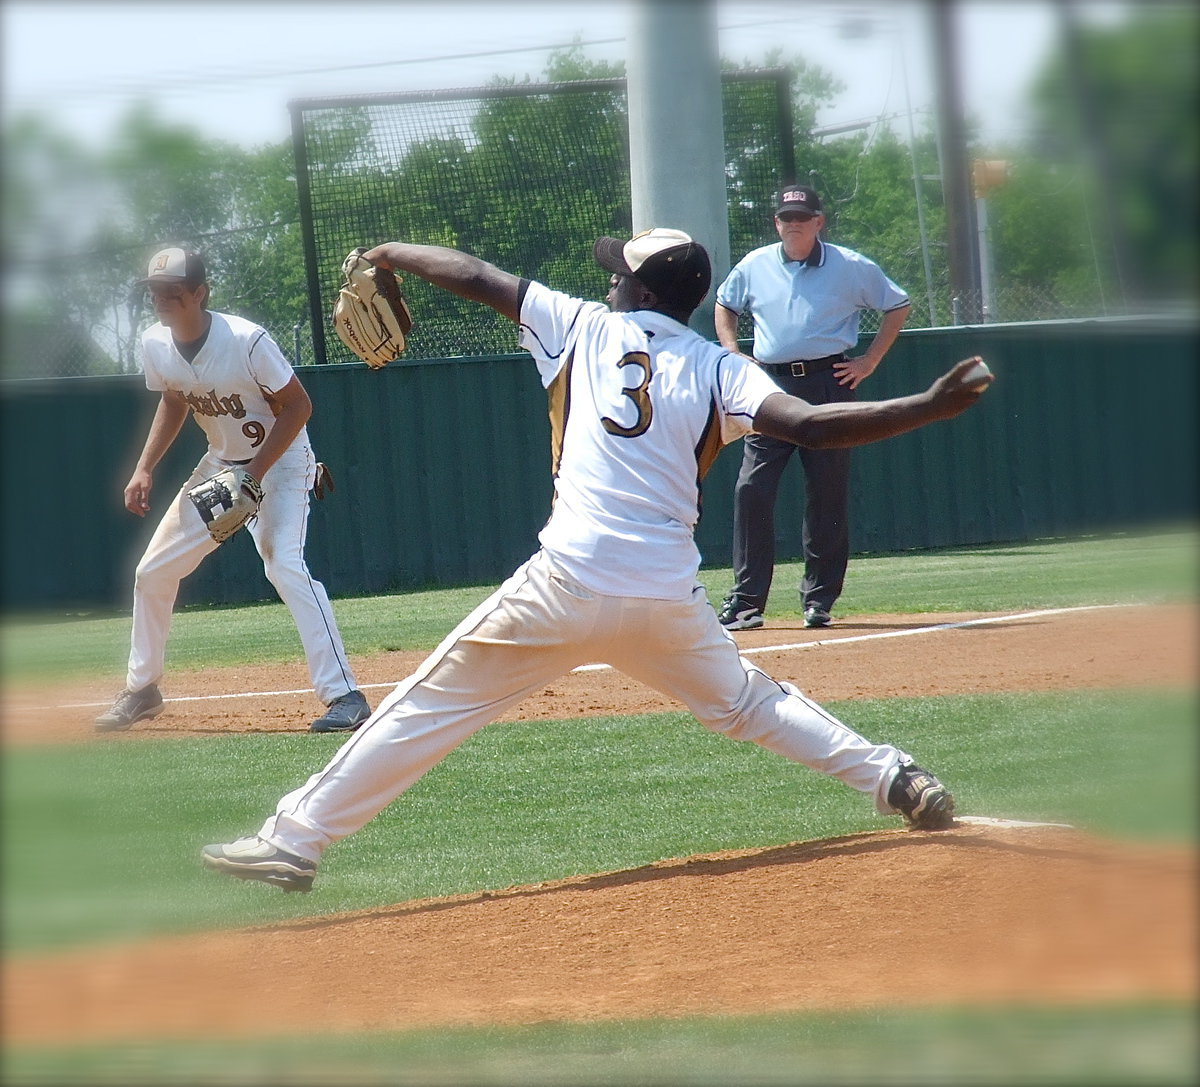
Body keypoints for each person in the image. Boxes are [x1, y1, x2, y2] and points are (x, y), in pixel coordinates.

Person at [201, 228, 991, 892]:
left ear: (643, 294)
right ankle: (895, 777)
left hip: (566, 581)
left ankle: (295, 839)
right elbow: (812, 427)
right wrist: (928, 406)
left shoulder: (581, 325)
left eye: (619, 274)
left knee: (425, 706)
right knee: (751, 704)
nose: (609, 282)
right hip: (666, 600)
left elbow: (476, 277)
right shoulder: (722, 367)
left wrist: (393, 252)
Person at [95, 248, 371, 734]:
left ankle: (345, 695)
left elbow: (298, 407)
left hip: (281, 462)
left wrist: (255, 474)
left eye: (174, 292)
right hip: (221, 465)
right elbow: (175, 399)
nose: (163, 300)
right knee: (153, 571)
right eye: (155, 292)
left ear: (200, 293)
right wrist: (143, 468)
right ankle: (143, 690)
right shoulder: (155, 343)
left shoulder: (245, 340)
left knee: (283, 564)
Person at [715, 184, 913, 631]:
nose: (794, 224)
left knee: (826, 491)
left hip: (830, 382)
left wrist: (870, 360)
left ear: (819, 222)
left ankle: (819, 600)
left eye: (803, 217)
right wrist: (731, 351)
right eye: (786, 218)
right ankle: (747, 601)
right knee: (752, 488)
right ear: (776, 223)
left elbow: (897, 305)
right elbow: (724, 306)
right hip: (771, 386)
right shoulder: (756, 264)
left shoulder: (850, 265)